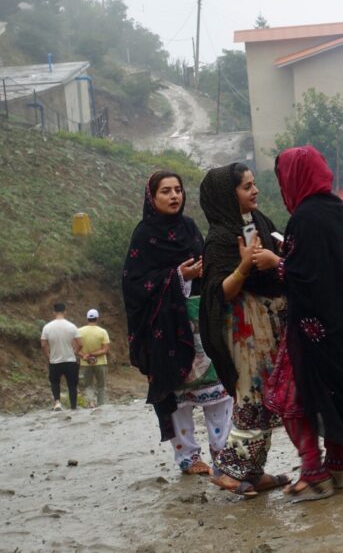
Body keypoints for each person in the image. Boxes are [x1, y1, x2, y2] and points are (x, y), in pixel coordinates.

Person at [252, 145, 343, 502]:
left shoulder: (306, 216)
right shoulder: (335, 209)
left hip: (315, 329)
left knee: (286, 396)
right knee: (336, 394)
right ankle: (338, 475)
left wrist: (277, 262)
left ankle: (315, 474)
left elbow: (311, 276)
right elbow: (330, 265)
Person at [122, 170, 233, 476]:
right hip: (166, 329)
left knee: (219, 391)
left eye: (178, 190)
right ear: (152, 197)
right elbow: (133, 284)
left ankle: (223, 455)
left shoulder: (190, 228)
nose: (174, 196)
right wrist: (178, 277)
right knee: (178, 398)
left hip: (201, 321)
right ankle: (188, 458)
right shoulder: (144, 235)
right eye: (165, 191)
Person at [199, 163, 290, 498]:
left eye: (254, 184)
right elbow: (218, 292)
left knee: (268, 398)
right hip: (244, 329)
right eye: (246, 187)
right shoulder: (220, 238)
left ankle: (252, 471)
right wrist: (243, 266)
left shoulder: (257, 222)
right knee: (252, 394)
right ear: (228, 194)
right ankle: (225, 468)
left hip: (267, 323)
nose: (255, 191)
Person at [40, 303, 81, 411]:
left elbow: (43, 345)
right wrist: (75, 351)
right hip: (70, 360)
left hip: (54, 361)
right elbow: (80, 343)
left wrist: (48, 356)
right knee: (72, 385)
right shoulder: (72, 326)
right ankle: (73, 407)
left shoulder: (47, 327)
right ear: (65, 312)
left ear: (53, 312)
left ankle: (57, 402)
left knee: (55, 383)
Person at [78, 308, 110, 407]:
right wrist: (93, 354)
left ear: (87, 318)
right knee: (102, 386)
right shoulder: (103, 332)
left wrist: (85, 355)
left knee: (88, 385)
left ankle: (91, 403)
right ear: (97, 318)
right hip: (100, 363)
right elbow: (105, 350)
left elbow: (75, 348)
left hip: (85, 363)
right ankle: (101, 405)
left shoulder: (79, 331)